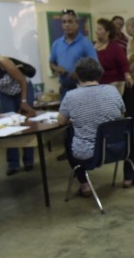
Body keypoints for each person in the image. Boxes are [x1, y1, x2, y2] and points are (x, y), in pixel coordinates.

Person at [57, 58, 134, 195]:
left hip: (88, 154)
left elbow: (61, 121)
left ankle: (84, 184)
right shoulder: (112, 91)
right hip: (118, 148)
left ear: (77, 75)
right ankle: (129, 177)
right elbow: (121, 114)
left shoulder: (70, 96)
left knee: (68, 135)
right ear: (100, 74)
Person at [49, 9, 98, 161]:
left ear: (77, 24)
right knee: (66, 121)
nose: (66, 25)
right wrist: (57, 68)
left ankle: (87, 150)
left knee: (82, 122)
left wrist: (78, 73)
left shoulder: (85, 43)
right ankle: (68, 150)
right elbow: (51, 62)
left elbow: (94, 64)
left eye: (70, 22)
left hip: (82, 89)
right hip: (65, 88)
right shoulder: (57, 44)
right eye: (64, 22)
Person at [95, 18, 133, 95]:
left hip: (113, 83)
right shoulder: (92, 46)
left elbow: (124, 64)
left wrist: (128, 77)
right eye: (97, 29)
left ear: (107, 32)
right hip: (96, 83)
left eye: (99, 29)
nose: (96, 32)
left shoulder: (115, 48)